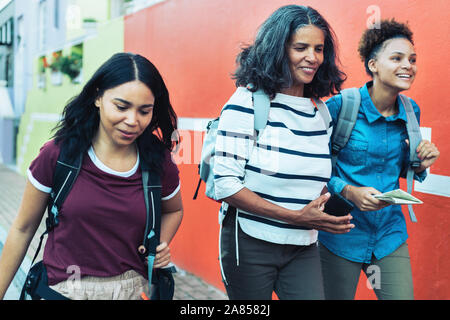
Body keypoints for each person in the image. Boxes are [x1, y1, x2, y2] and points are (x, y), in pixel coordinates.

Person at [0, 53, 183, 300]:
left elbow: (173, 210)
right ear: (98, 97)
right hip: (63, 290)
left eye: (144, 111)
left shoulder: (158, 162)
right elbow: (22, 229)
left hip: (132, 291)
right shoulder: (59, 155)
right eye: (121, 106)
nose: (132, 120)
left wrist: (158, 244)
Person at [214, 5, 353, 300]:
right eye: (300, 47)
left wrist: (347, 201)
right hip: (250, 241)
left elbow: (311, 176)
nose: (313, 57)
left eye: (319, 49)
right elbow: (225, 185)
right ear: (278, 49)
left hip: (303, 244)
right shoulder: (247, 101)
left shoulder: (321, 112)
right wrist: (294, 216)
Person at [319, 19, 440, 300]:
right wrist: (348, 190)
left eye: (412, 59)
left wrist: (420, 164)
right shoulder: (341, 106)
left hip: (388, 232)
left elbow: (397, 167)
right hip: (341, 230)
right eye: (396, 58)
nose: (408, 65)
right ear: (373, 65)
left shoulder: (412, 111)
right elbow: (313, 166)